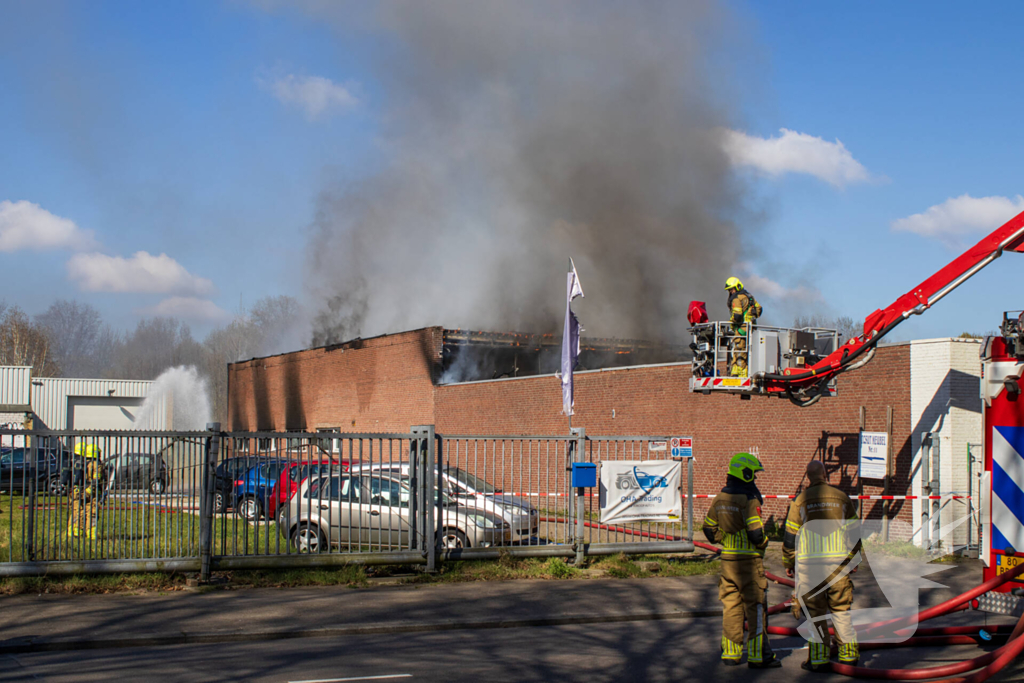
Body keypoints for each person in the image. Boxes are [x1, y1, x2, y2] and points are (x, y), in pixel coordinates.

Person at [783, 460, 861, 672]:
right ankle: (849, 656)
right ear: (825, 474)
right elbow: (855, 532)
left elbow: (790, 537)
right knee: (841, 610)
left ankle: (818, 660)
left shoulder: (800, 501)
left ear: (808, 477)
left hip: (811, 568)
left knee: (816, 614)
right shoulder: (842, 498)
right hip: (838, 566)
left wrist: (788, 562)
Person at [703, 452, 780, 668]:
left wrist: (726, 540)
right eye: (753, 474)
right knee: (755, 607)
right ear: (744, 474)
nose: (755, 479)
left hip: (728, 562)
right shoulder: (748, 499)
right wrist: (764, 542)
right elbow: (756, 533)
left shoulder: (720, 498)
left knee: (731, 607)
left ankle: (730, 653)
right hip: (749, 563)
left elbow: (709, 529)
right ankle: (757, 656)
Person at [725, 277, 763, 377]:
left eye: (732, 289)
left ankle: (741, 373)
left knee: (739, 351)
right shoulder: (749, 296)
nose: (731, 292)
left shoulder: (737, 298)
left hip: (741, 329)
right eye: (730, 290)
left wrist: (731, 321)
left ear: (737, 287)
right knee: (747, 351)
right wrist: (752, 315)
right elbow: (759, 309)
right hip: (751, 329)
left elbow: (737, 316)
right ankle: (736, 371)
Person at [66, 442, 102, 541]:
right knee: (91, 512)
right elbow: (97, 479)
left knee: (77, 510)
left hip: (77, 490)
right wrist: (90, 490)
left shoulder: (77, 463)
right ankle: (91, 533)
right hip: (91, 491)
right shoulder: (96, 465)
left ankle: (75, 531)